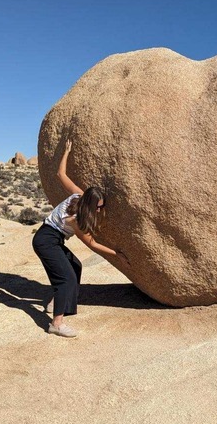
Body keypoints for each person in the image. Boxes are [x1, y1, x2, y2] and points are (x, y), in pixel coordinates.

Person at [32, 139, 131, 337]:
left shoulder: (78, 195)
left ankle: (57, 303)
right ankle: (56, 324)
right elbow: (91, 243)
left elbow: (61, 174)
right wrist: (116, 254)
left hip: (52, 238)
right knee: (66, 278)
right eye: (99, 206)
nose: (100, 209)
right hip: (45, 240)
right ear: (90, 204)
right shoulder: (76, 219)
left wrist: (67, 151)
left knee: (75, 266)